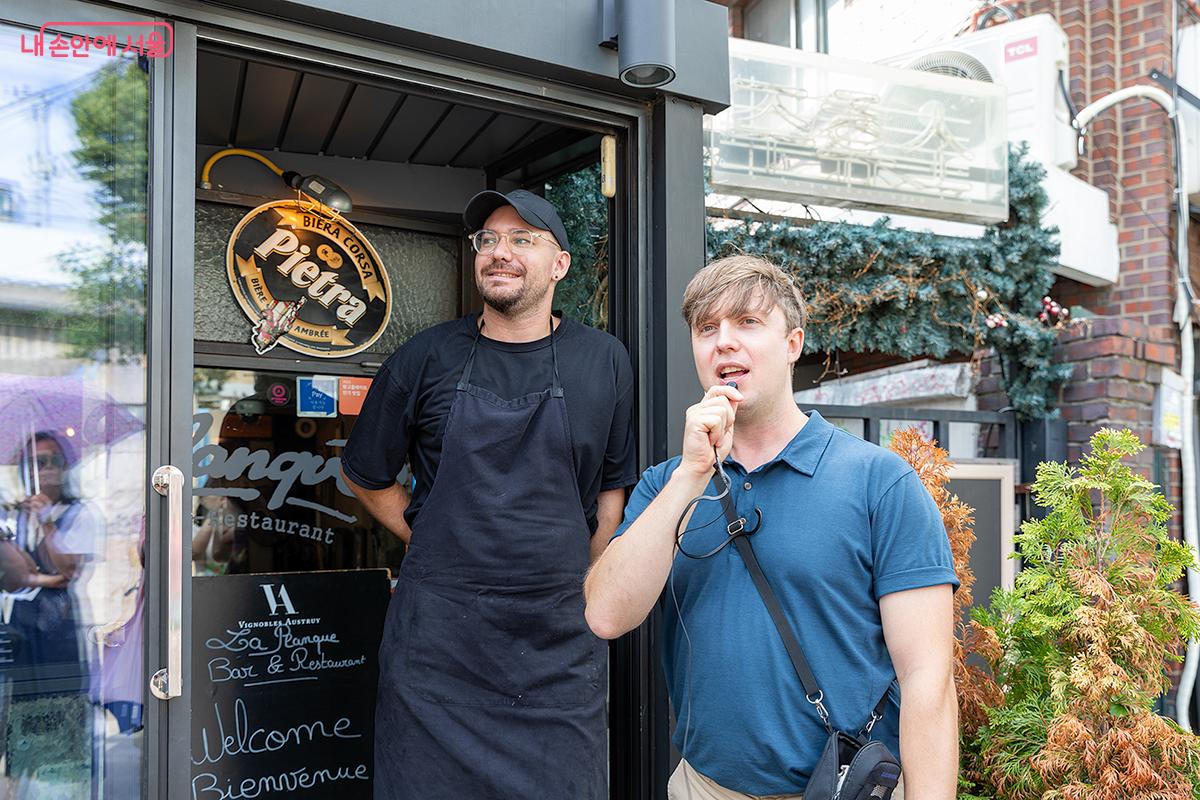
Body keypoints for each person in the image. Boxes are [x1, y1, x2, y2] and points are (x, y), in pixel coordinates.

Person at [584, 256, 959, 800]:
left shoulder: (880, 483)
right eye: (706, 329)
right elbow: (605, 615)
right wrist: (692, 473)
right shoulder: (667, 484)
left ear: (792, 344)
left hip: (841, 790)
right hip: (703, 788)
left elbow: (929, 681)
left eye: (747, 323)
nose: (724, 342)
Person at [341, 189, 637, 799]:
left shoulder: (604, 361)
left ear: (560, 264)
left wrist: (591, 576)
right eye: (488, 241)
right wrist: (426, 537)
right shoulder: (425, 357)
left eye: (521, 239)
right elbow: (365, 473)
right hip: (439, 648)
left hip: (557, 644)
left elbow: (613, 488)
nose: (499, 253)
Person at [0, 431, 98, 794]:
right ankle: (25, 785)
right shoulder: (16, 514)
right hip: (22, 621)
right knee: (21, 707)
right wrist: (39, 577)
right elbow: (11, 578)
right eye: (38, 462)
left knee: (62, 706)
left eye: (54, 460)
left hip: (60, 622)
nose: (48, 468)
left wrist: (46, 522)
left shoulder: (79, 512)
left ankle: (65, 786)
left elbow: (69, 570)